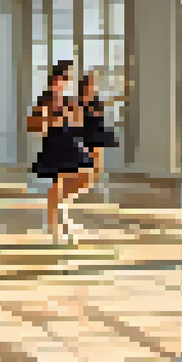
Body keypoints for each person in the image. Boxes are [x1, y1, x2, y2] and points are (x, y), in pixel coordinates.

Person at [28, 60, 94, 244]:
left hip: (70, 141)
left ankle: (63, 209)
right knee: (56, 186)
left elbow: (77, 122)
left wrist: (71, 115)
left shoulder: (67, 99)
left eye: (69, 78)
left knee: (85, 177)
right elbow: (37, 123)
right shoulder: (46, 98)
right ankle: (54, 229)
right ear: (57, 78)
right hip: (56, 143)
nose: (67, 81)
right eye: (66, 77)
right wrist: (53, 119)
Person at [76, 70, 118, 195]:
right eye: (88, 84)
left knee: (97, 160)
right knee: (84, 161)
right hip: (84, 133)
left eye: (92, 85)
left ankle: (95, 184)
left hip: (96, 132)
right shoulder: (78, 102)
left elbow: (100, 117)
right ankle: (84, 184)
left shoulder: (97, 102)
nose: (91, 87)